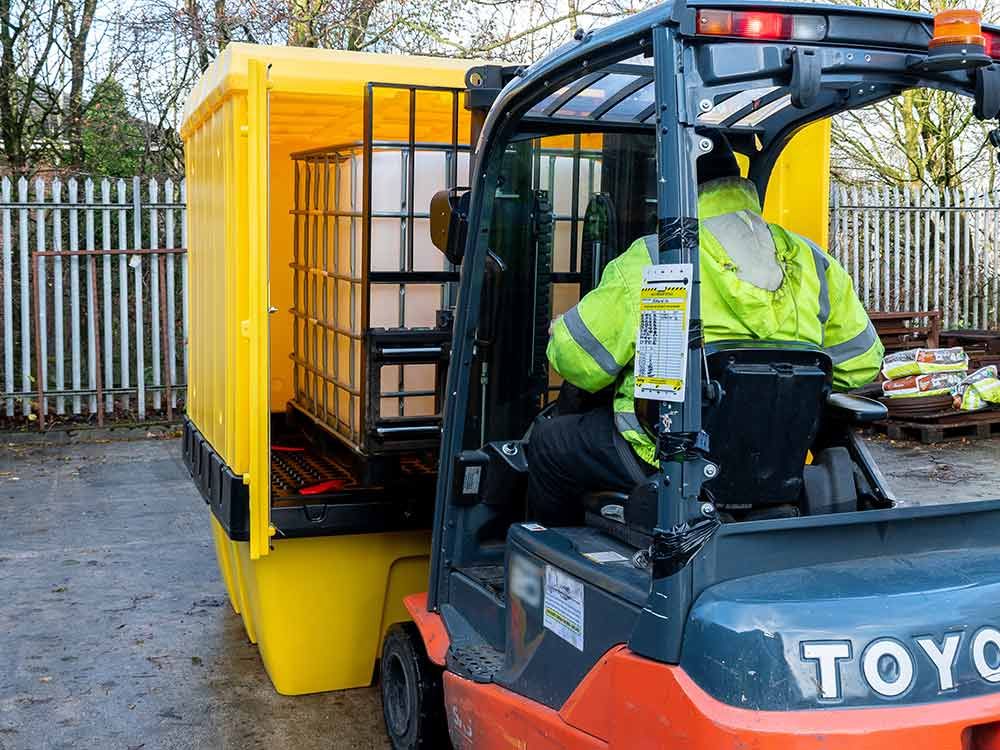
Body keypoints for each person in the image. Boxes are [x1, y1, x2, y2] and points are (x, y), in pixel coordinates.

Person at [527, 134, 884, 527]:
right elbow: (862, 363)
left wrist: (561, 333)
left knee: (550, 443)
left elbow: (581, 363)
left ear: (674, 184)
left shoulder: (657, 256)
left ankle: (547, 560)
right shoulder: (813, 259)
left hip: (666, 457)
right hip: (776, 460)